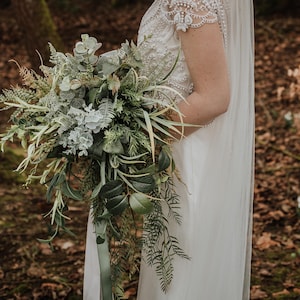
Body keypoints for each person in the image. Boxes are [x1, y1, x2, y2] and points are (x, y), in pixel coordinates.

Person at [84, 0, 255, 299]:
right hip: (175, 150)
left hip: (187, 159)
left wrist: (135, 136)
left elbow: (214, 98)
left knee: (181, 276)